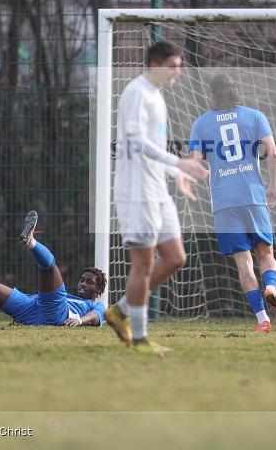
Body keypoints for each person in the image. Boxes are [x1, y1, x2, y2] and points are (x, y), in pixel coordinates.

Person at [103, 41, 209, 356]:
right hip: (136, 193)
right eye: (173, 66)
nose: (178, 72)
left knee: (176, 258)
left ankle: (121, 310)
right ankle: (140, 338)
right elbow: (137, 142)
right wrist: (180, 163)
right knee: (144, 265)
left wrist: (176, 173)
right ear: (154, 65)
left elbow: (154, 148)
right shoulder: (136, 92)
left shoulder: (157, 96)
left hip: (157, 191)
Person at [187, 74, 276, 332]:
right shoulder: (255, 116)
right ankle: (270, 288)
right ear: (235, 91)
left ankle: (263, 320)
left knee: (243, 262)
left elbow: (194, 164)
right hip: (253, 197)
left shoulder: (201, 124)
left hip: (224, 203)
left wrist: (201, 175)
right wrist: (273, 186)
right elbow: (273, 154)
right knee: (265, 253)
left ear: (212, 94)